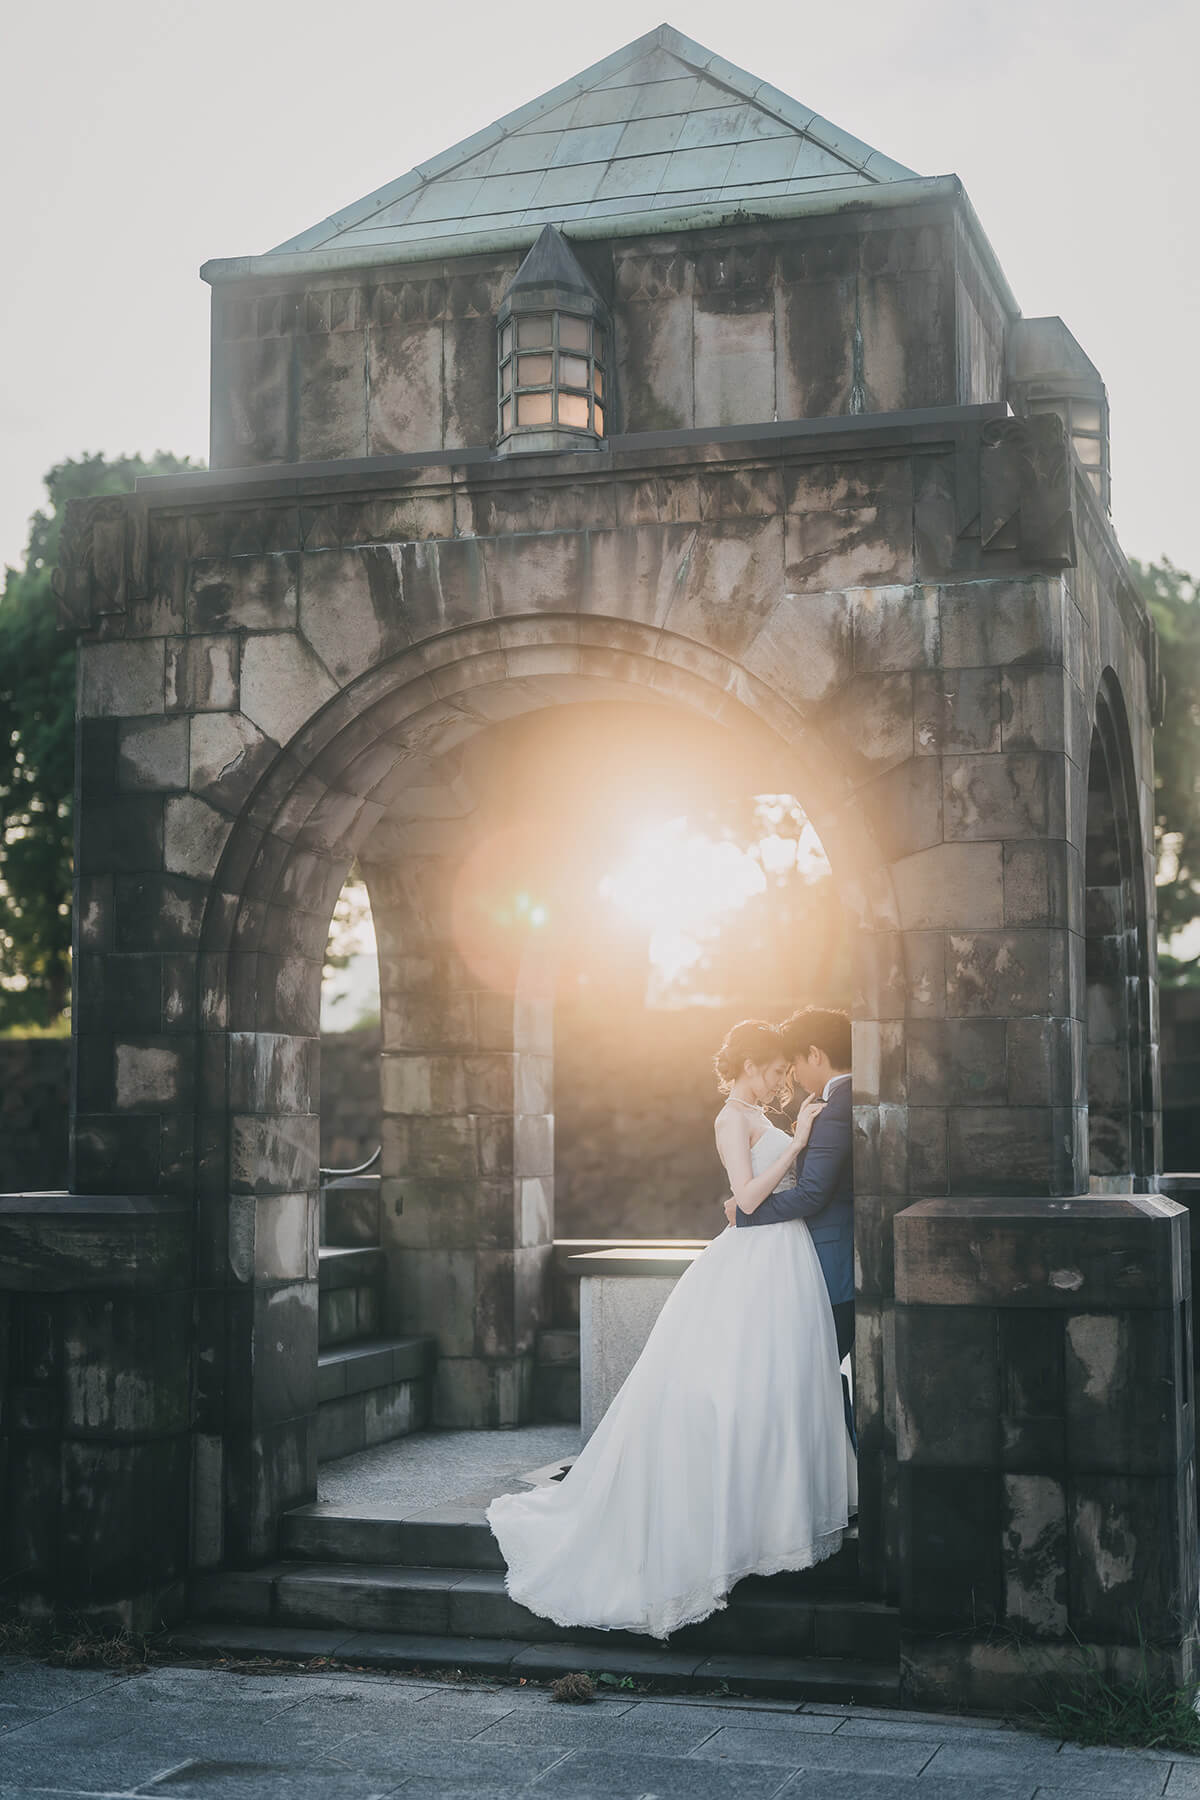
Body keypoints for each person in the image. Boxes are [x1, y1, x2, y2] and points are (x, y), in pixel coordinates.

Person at [485, 1020, 856, 1641]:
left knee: (783, 1386)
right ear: (748, 1064)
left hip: (786, 1261)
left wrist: (794, 1138)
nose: (777, 1084)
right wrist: (797, 1144)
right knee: (726, 1386)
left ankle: (772, 1523)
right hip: (757, 1255)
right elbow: (747, 1199)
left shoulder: (762, 1116)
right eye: (771, 1073)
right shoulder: (729, 1119)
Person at [724, 1008, 856, 1447]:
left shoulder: (838, 1106)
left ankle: (838, 1469)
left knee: (807, 1372)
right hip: (794, 1254)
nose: (791, 1078)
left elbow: (813, 1193)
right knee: (801, 1373)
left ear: (815, 1054)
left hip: (825, 1258)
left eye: (792, 1065)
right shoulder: (741, 1116)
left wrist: (745, 1214)